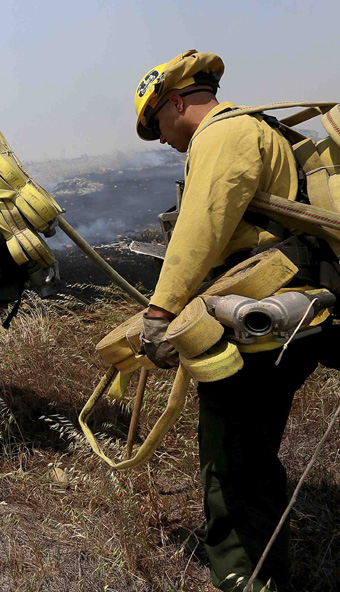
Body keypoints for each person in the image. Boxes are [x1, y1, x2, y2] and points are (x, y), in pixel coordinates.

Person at [134, 49, 336, 591]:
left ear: (175, 102)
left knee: (235, 462)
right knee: (251, 451)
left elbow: (199, 231)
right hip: (289, 310)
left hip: (261, 327)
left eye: (158, 127)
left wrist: (161, 313)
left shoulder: (222, 136)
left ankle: (247, 576)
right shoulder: (260, 128)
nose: (164, 142)